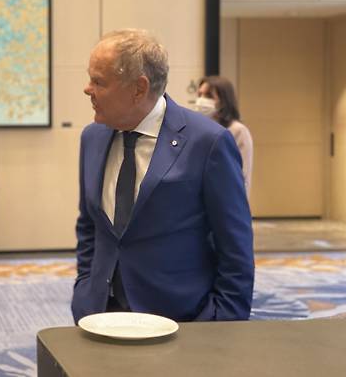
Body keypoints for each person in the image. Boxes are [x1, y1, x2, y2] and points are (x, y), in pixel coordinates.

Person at [72, 29, 254, 323]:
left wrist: (224, 322)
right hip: (100, 315)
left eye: (98, 81)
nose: (87, 89)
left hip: (180, 321)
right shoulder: (92, 138)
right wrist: (84, 290)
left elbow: (235, 246)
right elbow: (89, 226)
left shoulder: (208, 143)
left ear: (138, 88)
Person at [195, 75, 253, 195]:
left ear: (223, 101)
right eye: (200, 95)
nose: (201, 100)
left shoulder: (237, 131)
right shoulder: (198, 129)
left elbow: (242, 178)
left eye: (209, 96)